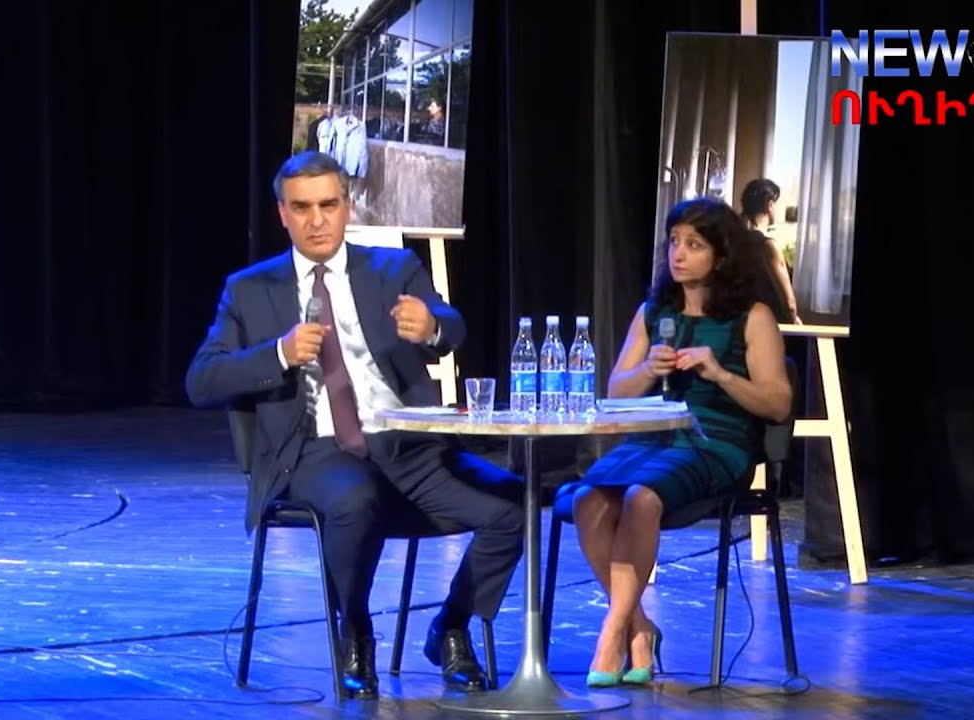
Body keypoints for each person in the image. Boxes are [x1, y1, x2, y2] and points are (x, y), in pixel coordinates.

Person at [185, 151, 523, 699]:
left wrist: (432, 327)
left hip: (408, 445)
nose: (317, 220)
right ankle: (356, 631)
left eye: (328, 205)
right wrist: (278, 353)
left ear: (347, 206)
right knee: (354, 500)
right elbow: (201, 380)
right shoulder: (250, 289)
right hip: (314, 451)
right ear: (283, 214)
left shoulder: (393, 269)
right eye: (302, 208)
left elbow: (452, 325)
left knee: (511, 506)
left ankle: (452, 626)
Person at [559, 197, 792, 687]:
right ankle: (639, 626)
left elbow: (777, 404)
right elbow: (615, 392)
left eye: (694, 244)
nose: (678, 254)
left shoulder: (751, 317)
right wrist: (648, 369)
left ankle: (612, 635)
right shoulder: (654, 313)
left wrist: (720, 373)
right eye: (674, 242)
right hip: (654, 437)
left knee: (641, 498)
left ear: (721, 256)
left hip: (717, 442)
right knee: (587, 499)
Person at [741, 178, 802, 324]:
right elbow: (789, 305)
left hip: (743, 322)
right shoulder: (767, 247)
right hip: (771, 324)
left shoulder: (735, 242)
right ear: (769, 205)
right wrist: (796, 324)